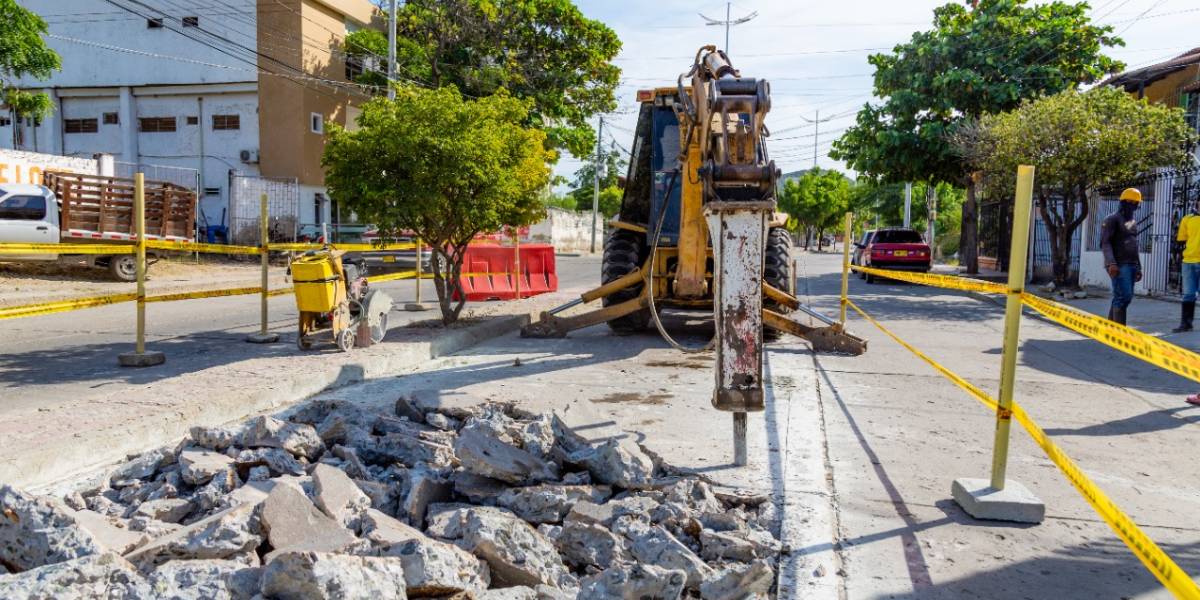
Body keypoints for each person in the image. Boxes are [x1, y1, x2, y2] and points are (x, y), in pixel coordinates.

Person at [1099, 188, 1144, 326]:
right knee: (1123, 297)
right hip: (1119, 264)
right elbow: (1105, 243)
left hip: (1131, 264)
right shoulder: (1111, 219)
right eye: (1132, 202)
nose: (1134, 206)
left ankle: (1110, 328)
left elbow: (1134, 245)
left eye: (1136, 203)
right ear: (1124, 202)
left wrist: (1138, 267)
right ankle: (1119, 331)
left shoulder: (1132, 222)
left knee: (1123, 297)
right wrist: (1111, 263)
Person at [1174, 198, 1200, 332]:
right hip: (1188, 262)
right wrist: (1179, 258)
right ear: (1197, 203)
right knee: (1188, 294)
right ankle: (1186, 323)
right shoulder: (1187, 219)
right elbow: (1181, 241)